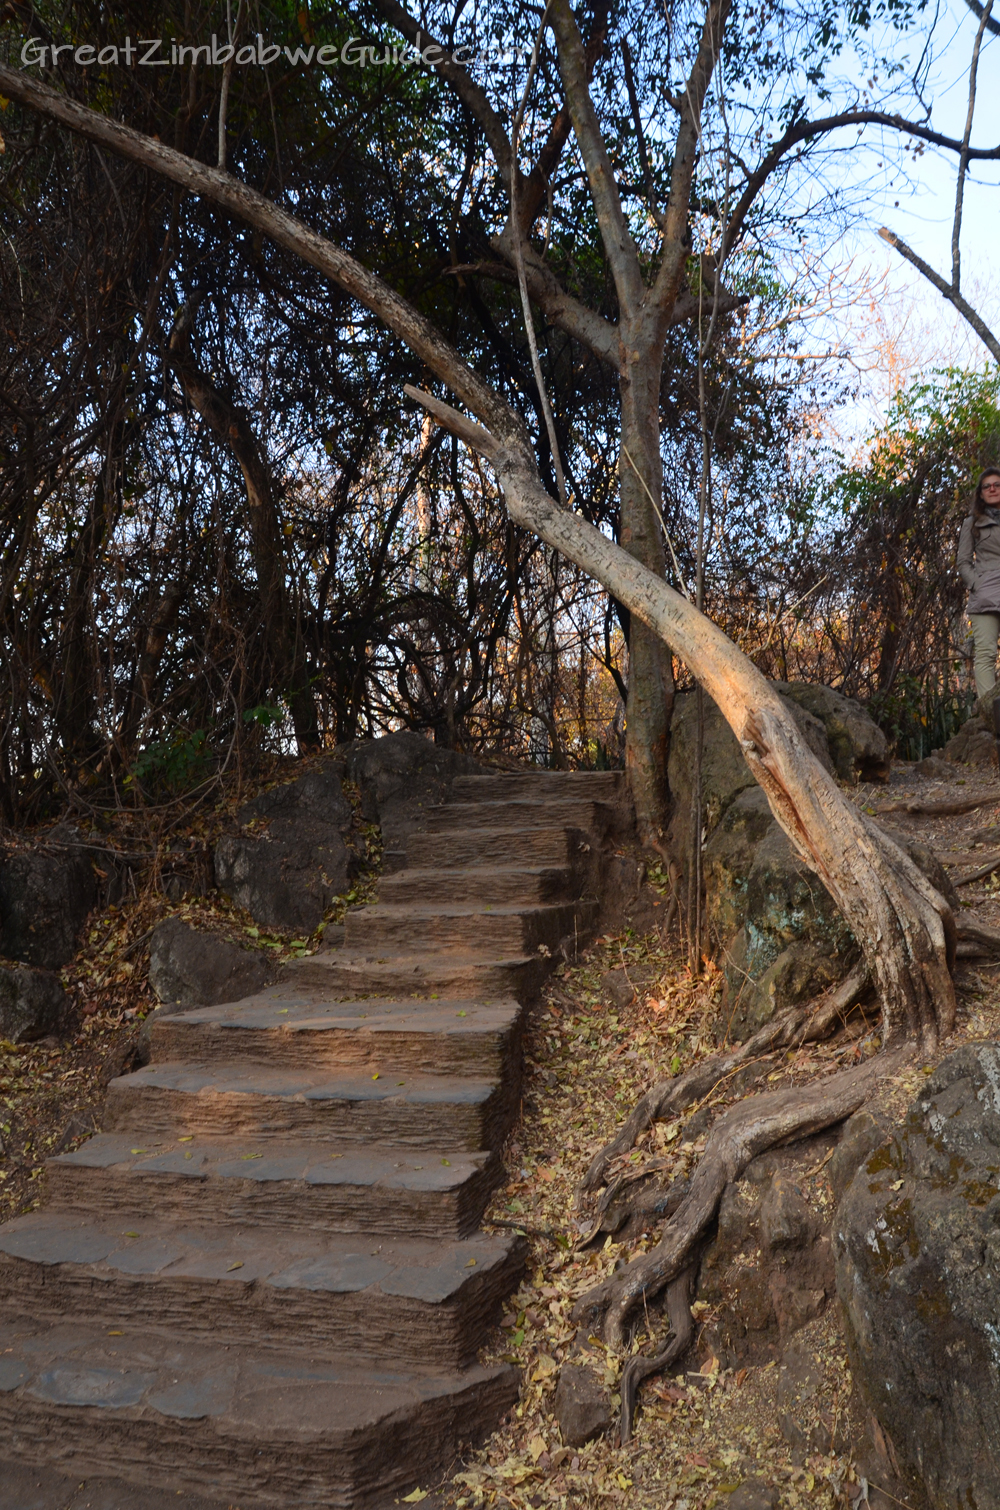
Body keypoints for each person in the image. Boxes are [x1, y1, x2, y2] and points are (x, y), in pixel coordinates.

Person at [958, 467, 1000, 698]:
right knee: (985, 654)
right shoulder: (971, 523)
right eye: (987, 486)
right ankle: (991, 711)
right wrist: (977, 584)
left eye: (997, 484)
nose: (992, 489)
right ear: (981, 493)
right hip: (986, 594)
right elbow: (963, 561)